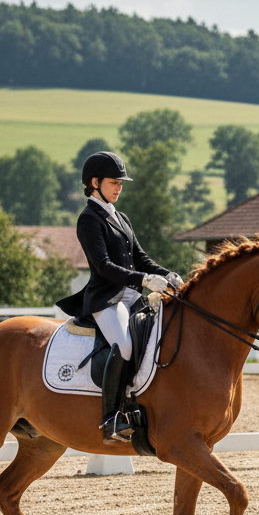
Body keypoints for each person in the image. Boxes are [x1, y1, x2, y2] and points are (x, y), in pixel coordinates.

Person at [56, 151, 183, 442]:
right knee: (124, 345)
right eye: (114, 182)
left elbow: (140, 258)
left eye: (121, 183)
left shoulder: (120, 217)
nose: (119, 188)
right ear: (95, 182)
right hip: (107, 300)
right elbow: (103, 266)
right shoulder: (88, 219)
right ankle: (111, 419)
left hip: (133, 298)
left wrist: (167, 273)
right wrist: (145, 280)